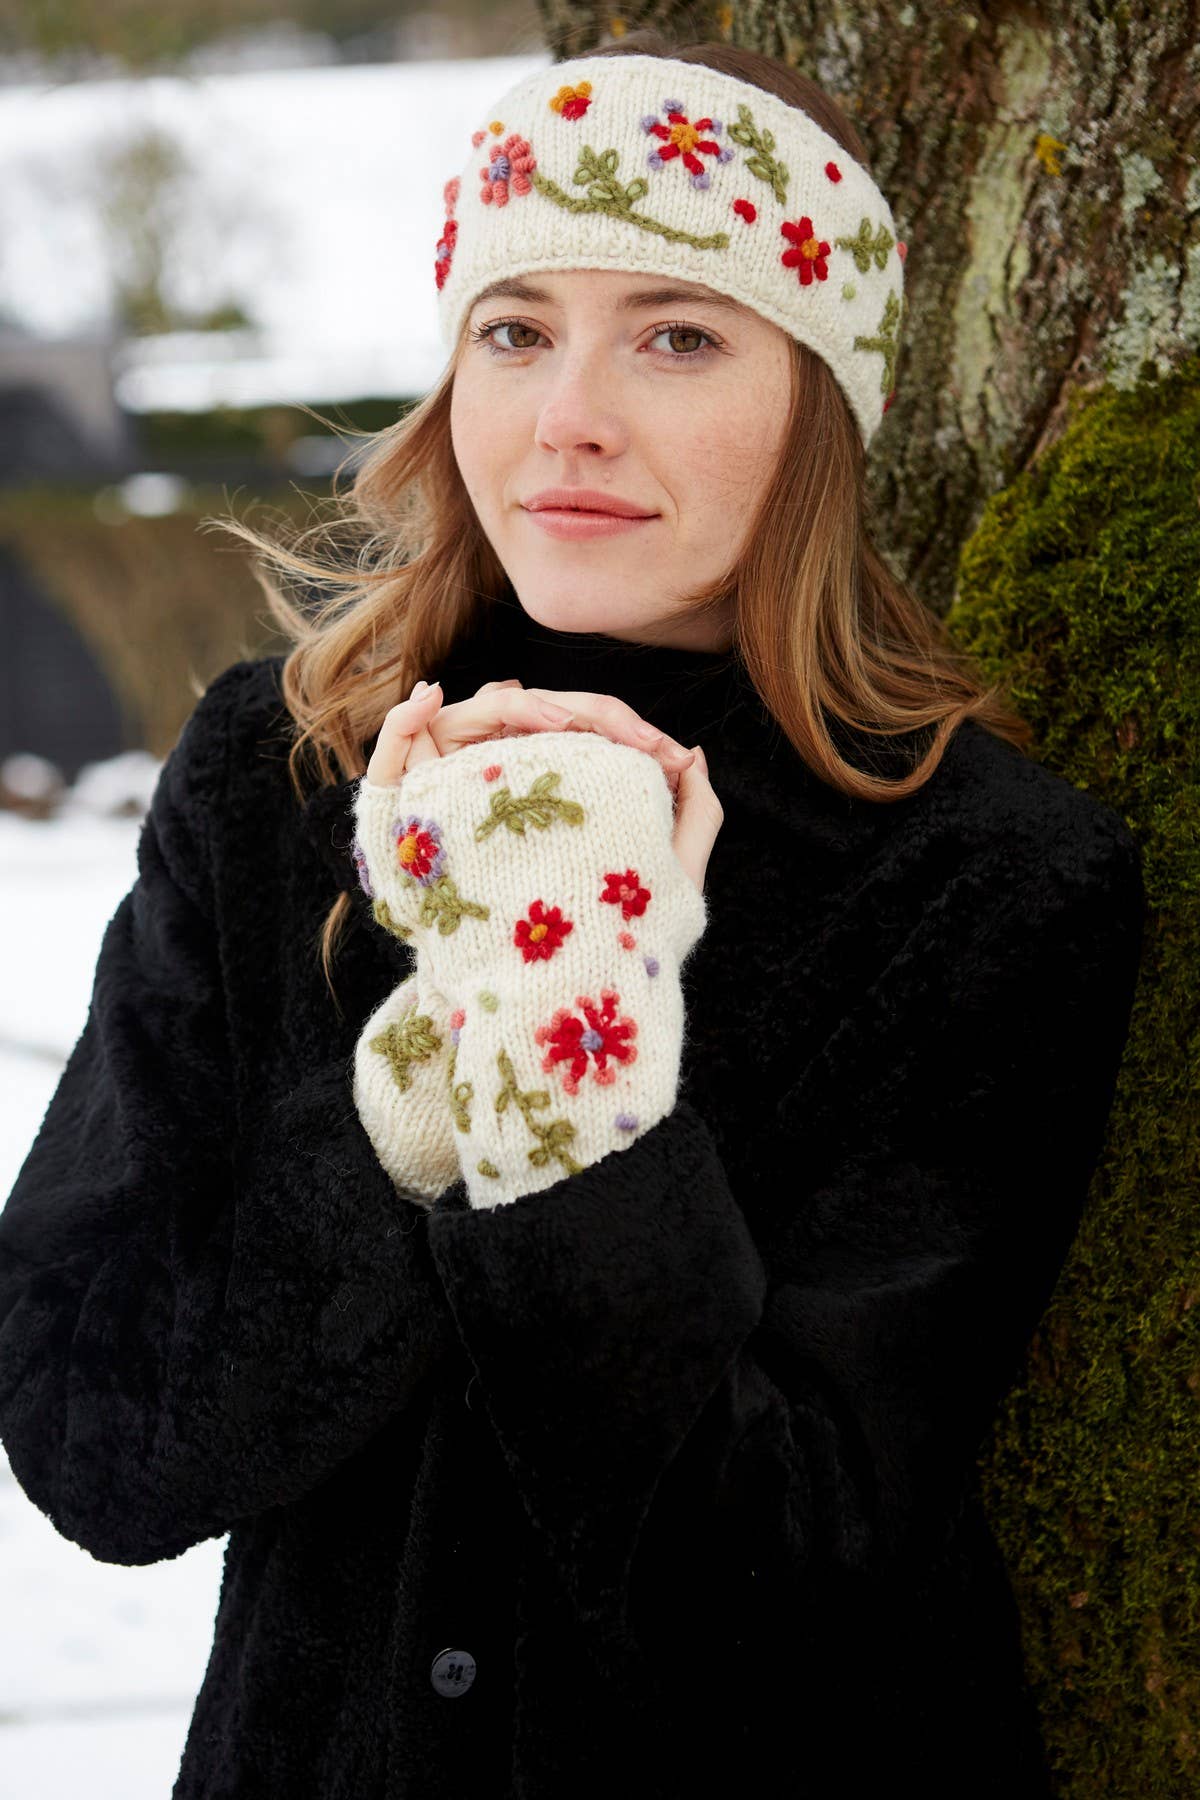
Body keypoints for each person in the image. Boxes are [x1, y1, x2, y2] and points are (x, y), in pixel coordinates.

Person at [0, 32, 1145, 1800]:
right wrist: (414, 1095)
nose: (568, 417)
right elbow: (103, 1440)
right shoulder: (276, 779)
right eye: (516, 330)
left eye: (679, 336)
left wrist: (566, 1054)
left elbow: (777, 1584)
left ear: (823, 405)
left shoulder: (981, 875)